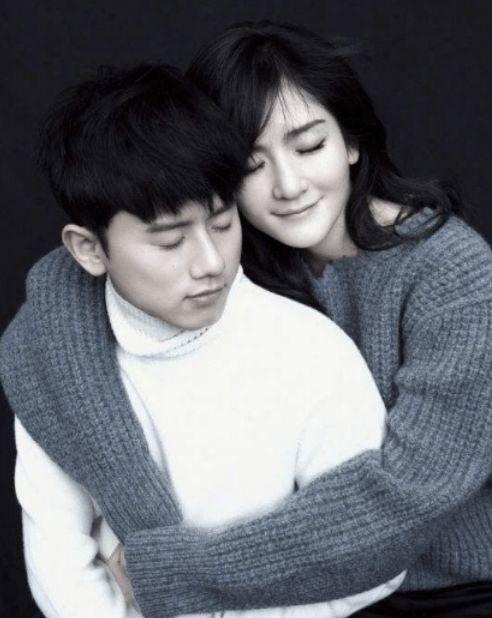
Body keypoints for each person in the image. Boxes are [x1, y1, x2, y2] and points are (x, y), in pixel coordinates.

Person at [2, 21, 491, 618]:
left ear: (352, 142)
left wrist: (176, 573)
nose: (289, 185)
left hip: (451, 590)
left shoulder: (456, 275)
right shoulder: (229, 249)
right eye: (252, 164)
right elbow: (71, 285)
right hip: (286, 595)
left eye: (310, 146)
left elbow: (410, 498)